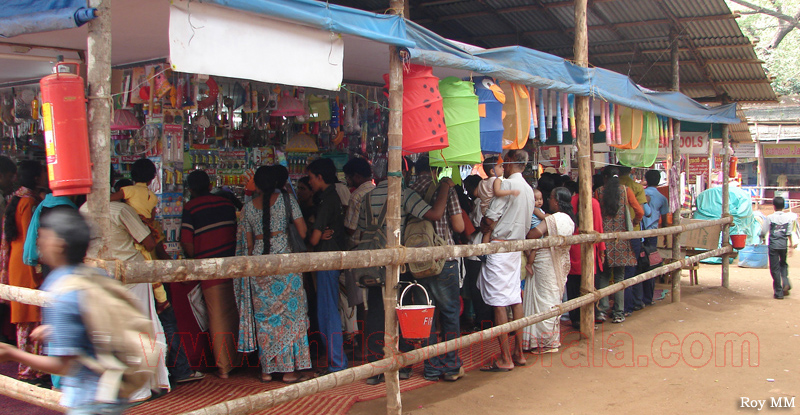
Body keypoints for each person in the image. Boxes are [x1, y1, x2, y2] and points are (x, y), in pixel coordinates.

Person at [0, 209, 130, 414]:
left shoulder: (61, 288)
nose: (39, 243)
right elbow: (95, 324)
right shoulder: (98, 275)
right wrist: (55, 330)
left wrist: (13, 353)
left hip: (88, 399)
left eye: (44, 236)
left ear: (59, 244)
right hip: (114, 392)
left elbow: (63, 366)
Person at [359, 157, 452, 385]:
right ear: (400, 171)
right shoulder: (404, 193)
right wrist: (445, 187)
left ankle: (375, 367)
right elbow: (435, 214)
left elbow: (360, 230)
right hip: (399, 262)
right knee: (403, 310)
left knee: (376, 313)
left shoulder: (367, 197)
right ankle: (403, 365)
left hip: (374, 261)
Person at [79, 199, 172, 401]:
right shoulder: (121, 209)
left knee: (109, 332)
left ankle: (119, 387)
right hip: (131, 276)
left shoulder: (84, 209)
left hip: (100, 277)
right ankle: (142, 387)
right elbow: (148, 242)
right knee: (143, 330)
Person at [234, 166, 312, 383]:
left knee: (266, 319)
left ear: (257, 185)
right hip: (286, 264)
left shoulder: (247, 209)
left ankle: (267, 370)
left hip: (260, 265)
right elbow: (303, 232)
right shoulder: (288, 201)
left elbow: (248, 245)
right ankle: (289, 371)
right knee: (291, 317)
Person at [408, 155, 465, 382]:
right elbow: (459, 226)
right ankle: (451, 366)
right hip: (444, 259)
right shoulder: (445, 190)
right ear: (434, 170)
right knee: (450, 313)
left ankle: (431, 367)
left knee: (427, 315)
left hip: (418, 261)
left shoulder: (408, 191)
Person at [180, 170, 241, 379]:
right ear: (209, 184)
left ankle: (224, 366)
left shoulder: (190, 207)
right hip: (232, 263)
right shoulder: (225, 204)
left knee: (216, 315)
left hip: (209, 266)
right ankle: (239, 359)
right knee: (233, 311)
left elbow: (187, 243)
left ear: (190, 189)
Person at [478, 149, 535, 372]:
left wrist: (485, 227)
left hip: (501, 246)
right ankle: (518, 352)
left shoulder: (508, 186)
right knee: (514, 298)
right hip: (516, 248)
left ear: (510, 163)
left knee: (499, 301)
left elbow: (490, 218)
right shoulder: (529, 190)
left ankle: (505, 357)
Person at [1, 160, 47, 385]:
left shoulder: (18, 198)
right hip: (26, 263)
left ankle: (29, 367)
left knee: (25, 319)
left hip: (16, 262)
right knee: (31, 318)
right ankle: (31, 369)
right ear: (37, 177)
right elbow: (32, 237)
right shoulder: (28, 202)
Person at [305, 158, 349, 374]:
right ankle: (336, 360)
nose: (310, 182)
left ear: (320, 177)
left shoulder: (327, 200)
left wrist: (313, 233)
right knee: (329, 310)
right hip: (331, 258)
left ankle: (337, 362)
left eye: (311, 177)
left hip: (326, 259)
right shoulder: (332, 197)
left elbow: (313, 239)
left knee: (328, 312)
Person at [521, 187, 576, 353]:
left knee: (543, 300)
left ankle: (545, 341)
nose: (548, 200)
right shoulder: (569, 219)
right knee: (552, 298)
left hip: (545, 262)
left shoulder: (554, 219)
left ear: (557, 201)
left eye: (550, 197)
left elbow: (533, 234)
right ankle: (549, 339)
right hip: (558, 262)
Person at [593, 166, 643, 324]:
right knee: (620, 276)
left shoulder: (598, 192)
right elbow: (639, 211)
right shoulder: (626, 190)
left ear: (605, 178)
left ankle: (602, 309)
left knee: (604, 276)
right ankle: (619, 312)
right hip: (621, 239)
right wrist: (634, 222)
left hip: (604, 239)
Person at [565, 189, 605, 329]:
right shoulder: (594, 203)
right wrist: (602, 250)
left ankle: (575, 318)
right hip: (589, 247)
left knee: (573, 285)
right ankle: (590, 315)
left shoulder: (571, 201)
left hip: (573, 246)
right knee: (591, 284)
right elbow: (598, 227)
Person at [617, 166, 649, 315]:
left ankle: (619, 307)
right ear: (630, 171)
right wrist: (635, 222)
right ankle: (632, 304)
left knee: (617, 272)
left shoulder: (606, 189)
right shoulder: (635, 187)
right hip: (632, 233)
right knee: (632, 269)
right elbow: (641, 211)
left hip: (614, 235)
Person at [761, 196, 798, 299]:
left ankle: (778, 292)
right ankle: (785, 281)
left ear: (774, 206)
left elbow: (764, 231)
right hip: (783, 245)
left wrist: (762, 237)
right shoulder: (788, 218)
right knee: (783, 264)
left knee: (775, 268)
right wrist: (790, 245)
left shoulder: (770, 217)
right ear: (783, 206)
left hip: (773, 245)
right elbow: (789, 232)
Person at [641, 170, 669, 305]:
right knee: (651, 266)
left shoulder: (641, 193)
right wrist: (664, 235)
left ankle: (639, 298)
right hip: (652, 235)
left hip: (638, 234)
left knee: (638, 265)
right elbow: (664, 219)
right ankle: (648, 297)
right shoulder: (662, 198)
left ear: (646, 179)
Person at [476, 156, 520, 243]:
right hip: (491, 209)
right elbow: (497, 192)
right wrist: (511, 192)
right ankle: (486, 251)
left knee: (486, 232)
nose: (503, 168)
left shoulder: (482, 182)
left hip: (484, 209)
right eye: (500, 166)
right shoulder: (497, 180)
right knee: (491, 231)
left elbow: (476, 193)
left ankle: (484, 250)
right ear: (492, 171)